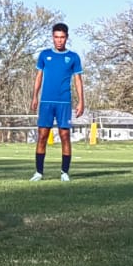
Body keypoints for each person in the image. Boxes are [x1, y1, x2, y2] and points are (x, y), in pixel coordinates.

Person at [30, 22, 85, 182]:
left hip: (64, 102)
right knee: (42, 136)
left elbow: (78, 81)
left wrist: (81, 101)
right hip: (46, 101)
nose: (59, 40)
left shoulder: (73, 57)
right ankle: (39, 172)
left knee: (65, 135)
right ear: (52, 38)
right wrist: (35, 96)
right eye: (56, 37)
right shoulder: (44, 55)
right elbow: (39, 77)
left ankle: (64, 172)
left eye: (62, 37)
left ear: (66, 38)